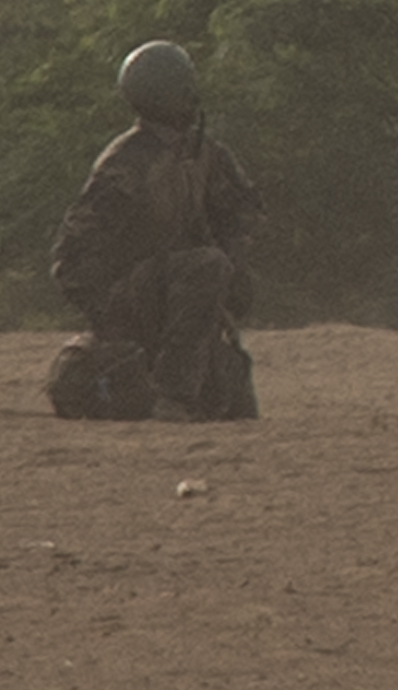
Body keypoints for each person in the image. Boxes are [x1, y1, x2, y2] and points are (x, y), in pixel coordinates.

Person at [52, 40, 260, 422]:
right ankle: (172, 396)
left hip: (173, 296)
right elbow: (72, 254)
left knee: (234, 399)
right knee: (207, 265)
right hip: (135, 295)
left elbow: (240, 211)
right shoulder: (127, 164)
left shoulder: (201, 153)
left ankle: (178, 385)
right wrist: (108, 316)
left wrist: (235, 267)